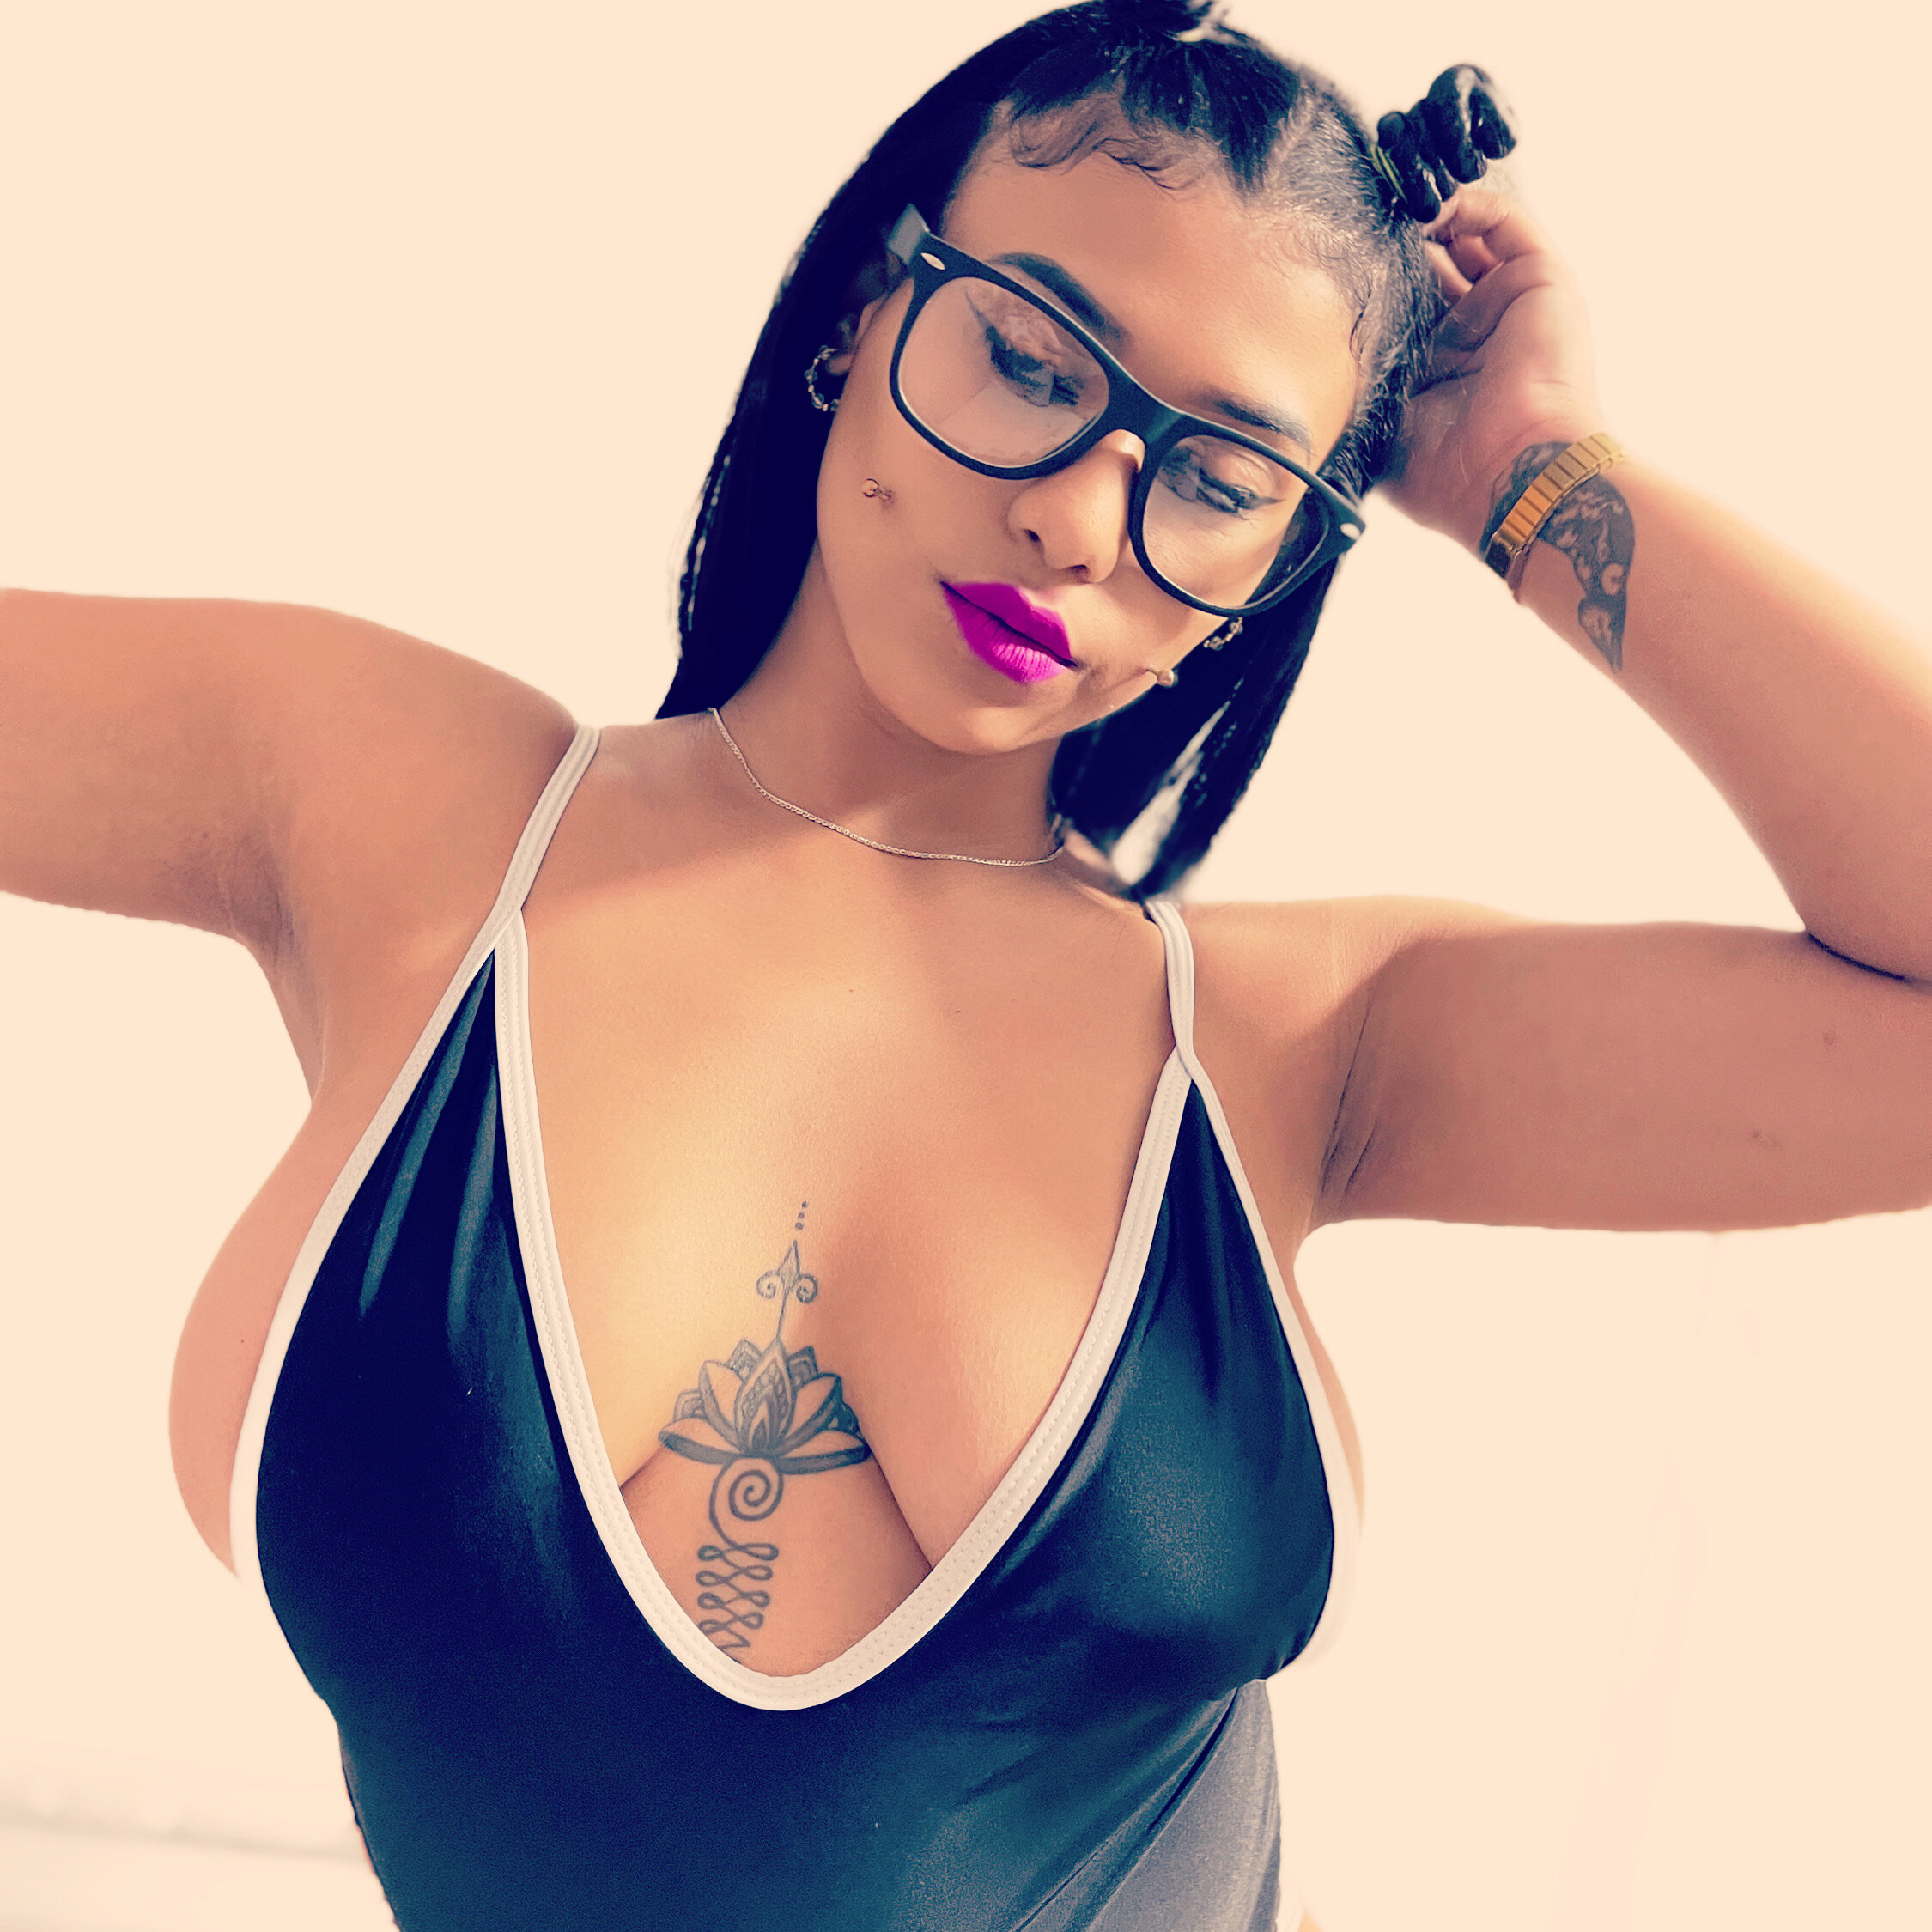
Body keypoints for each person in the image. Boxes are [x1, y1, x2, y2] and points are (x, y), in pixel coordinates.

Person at [3, 0, 1929, 1927]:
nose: (1077, 516)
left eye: (1220, 479)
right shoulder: (401, 812)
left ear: (1276, 573)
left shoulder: (1299, 1045)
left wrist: (1532, 470)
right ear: (865, 306)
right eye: (1027, 358)